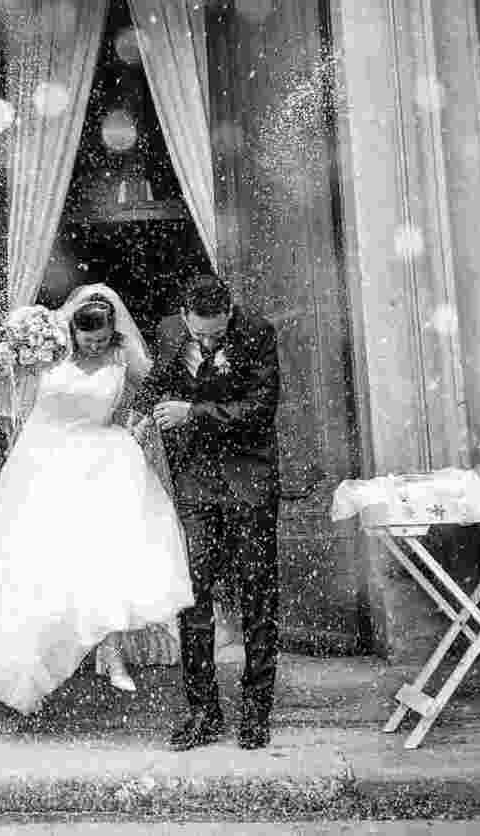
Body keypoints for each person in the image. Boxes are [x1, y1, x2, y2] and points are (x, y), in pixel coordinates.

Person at [0, 284, 193, 713]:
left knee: (106, 557)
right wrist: (0, 358)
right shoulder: (47, 345)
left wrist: (142, 421)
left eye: (103, 338)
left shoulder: (122, 354)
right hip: (44, 458)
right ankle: (24, 660)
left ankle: (110, 651)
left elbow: (156, 386)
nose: (96, 345)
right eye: (89, 339)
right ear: (73, 330)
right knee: (37, 561)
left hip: (104, 458)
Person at [133, 273, 282, 751]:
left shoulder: (257, 331)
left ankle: (255, 712)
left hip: (248, 478)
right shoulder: (170, 332)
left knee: (257, 594)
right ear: (184, 318)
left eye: (217, 333)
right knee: (192, 594)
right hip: (195, 481)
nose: (209, 342)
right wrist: (140, 414)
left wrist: (192, 412)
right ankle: (202, 713)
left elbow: (261, 407)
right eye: (201, 333)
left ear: (229, 314)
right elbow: (159, 379)